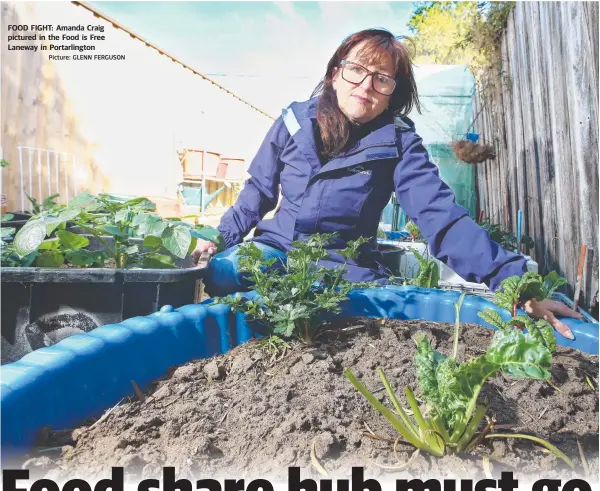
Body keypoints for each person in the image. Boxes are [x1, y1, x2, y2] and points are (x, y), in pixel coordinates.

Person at [193, 28, 582, 339]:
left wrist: (520, 287)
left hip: (345, 265)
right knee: (226, 272)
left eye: (382, 79)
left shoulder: (398, 144)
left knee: (384, 323)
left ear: (392, 95)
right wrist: (220, 236)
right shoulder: (293, 123)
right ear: (334, 73)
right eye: (357, 70)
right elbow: (256, 194)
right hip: (278, 250)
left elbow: (440, 219)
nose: (366, 85)